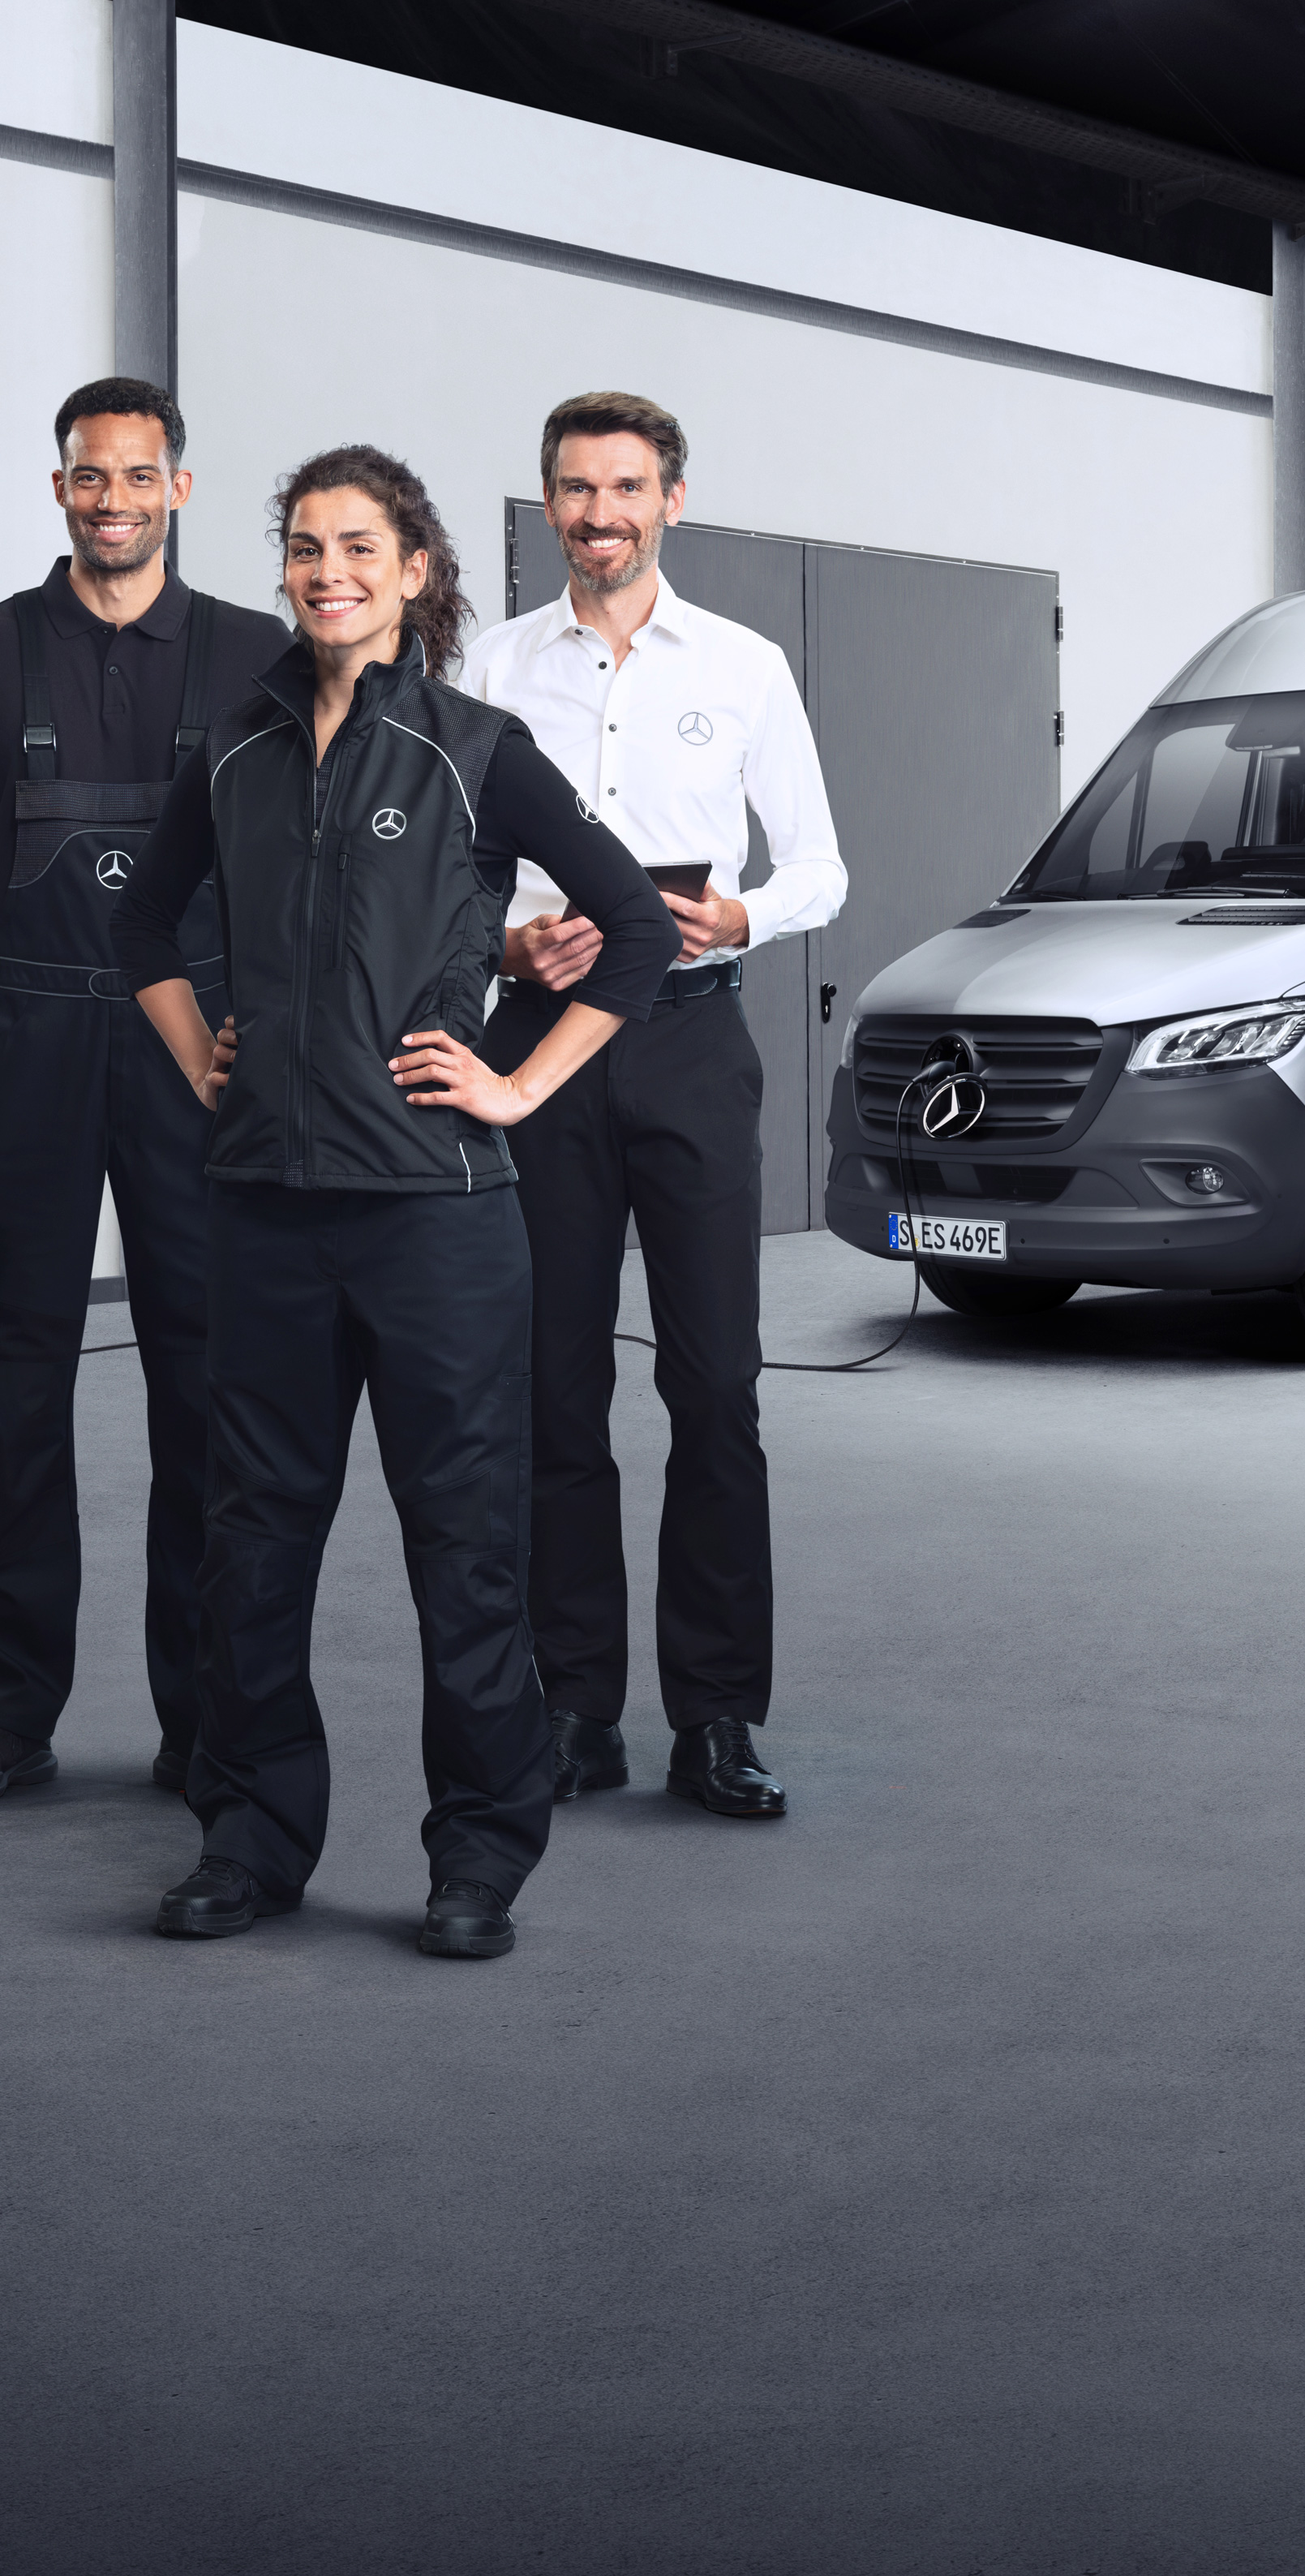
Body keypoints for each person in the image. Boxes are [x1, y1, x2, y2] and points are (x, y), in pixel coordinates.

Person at [111, 445, 676, 1958]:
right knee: (252, 1544)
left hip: (435, 1218)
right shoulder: (234, 749)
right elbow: (141, 926)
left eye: (359, 547)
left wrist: (517, 1086)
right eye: (305, 548)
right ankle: (248, 1841)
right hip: (263, 1211)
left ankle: (477, 1857)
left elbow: (632, 928)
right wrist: (201, 1055)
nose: (328, 573)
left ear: (415, 572)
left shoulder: (475, 749)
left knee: (463, 1549)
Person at [0, 377, 288, 1805]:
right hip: (30, 1046)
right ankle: (2, 1715)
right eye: (88, 476)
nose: (112, 499)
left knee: (211, 1383)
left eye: (136, 475)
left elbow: (306, 869)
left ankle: (207, 1719)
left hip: (200, 1049)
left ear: (178, 486)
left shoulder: (259, 655)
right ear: (58, 487)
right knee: (10, 1382)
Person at [462, 391, 846, 1821]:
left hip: (689, 1042)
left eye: (625, 488)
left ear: (671, 500)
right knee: (552, 1385)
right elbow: (452, 867)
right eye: (575, 489)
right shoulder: (494, 666)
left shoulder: (743, 665)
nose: (599, 514)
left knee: (715, 1388)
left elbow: (819, 867)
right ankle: (574, 1708)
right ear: (548, 504)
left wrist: (740, 915)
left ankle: (717, 1718)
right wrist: (508, 946)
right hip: (541, 1047)